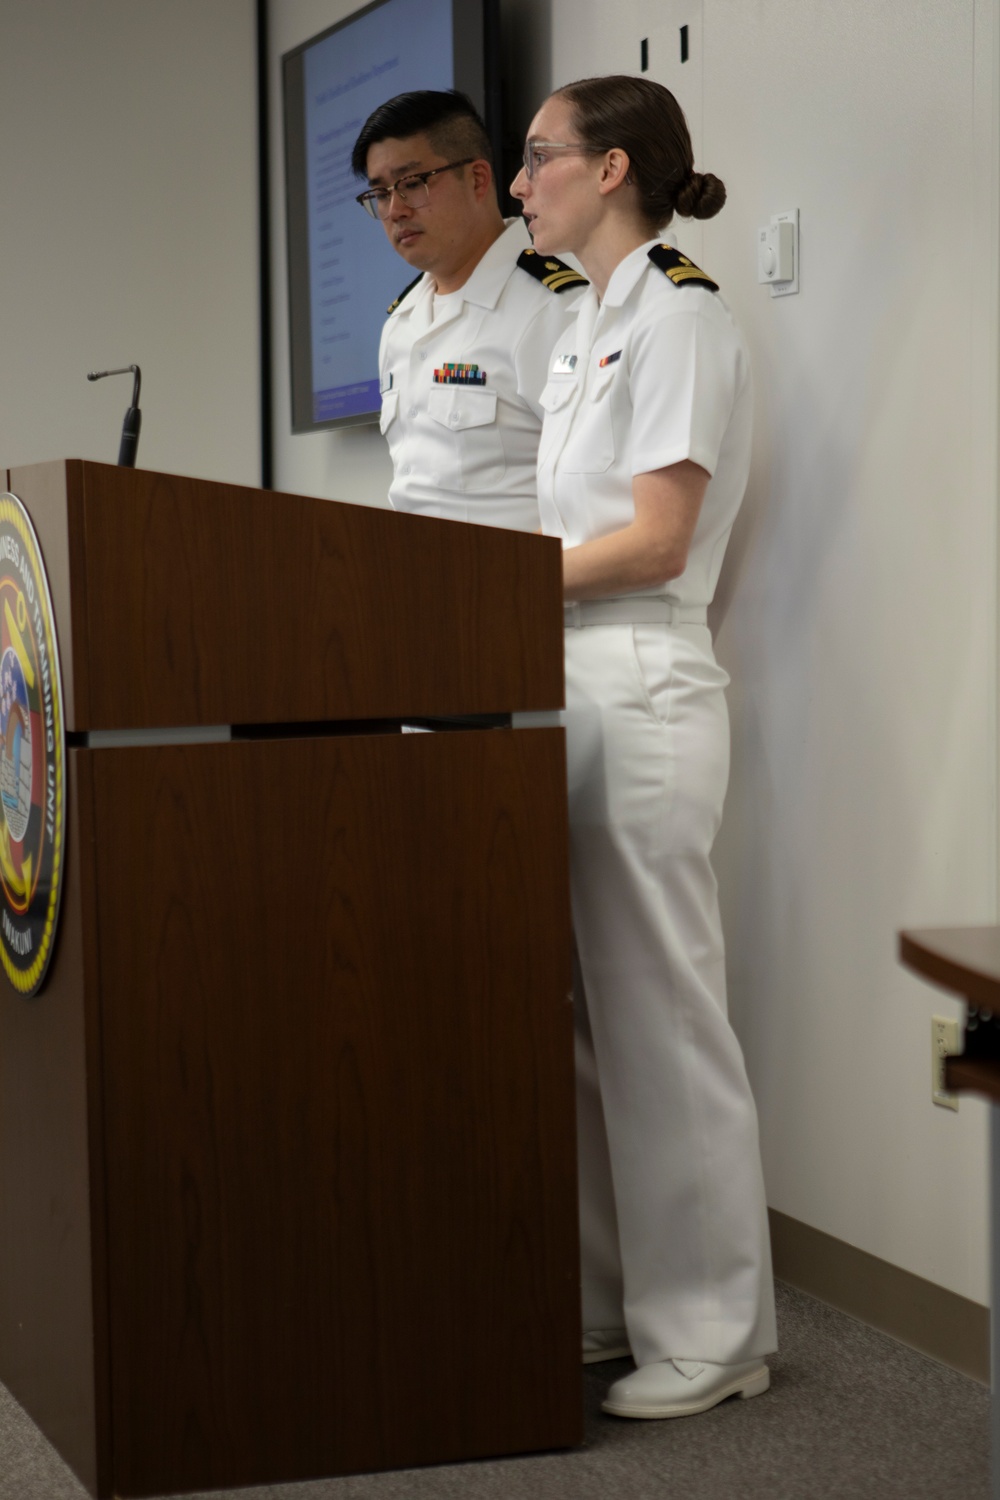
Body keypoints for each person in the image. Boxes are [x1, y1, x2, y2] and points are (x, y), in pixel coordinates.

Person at [510, 75, 777, 1420]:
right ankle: (616, 1301)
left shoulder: (681, 312)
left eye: (538, 158)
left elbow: (659, 540)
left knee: (661, 1018)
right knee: (582, 1020)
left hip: (644, 681)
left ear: (612, 169)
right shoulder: (585, 323)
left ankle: (720, 1329)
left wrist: (495, 585)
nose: (518, 182)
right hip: (566, 679)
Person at [351, 90, 586, 530]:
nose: (396, 210)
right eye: (380, 193)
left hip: (515, 589)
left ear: (478, 179)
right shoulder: (400, 325)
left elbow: (592, 497)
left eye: (412, 183)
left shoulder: (556, 310)